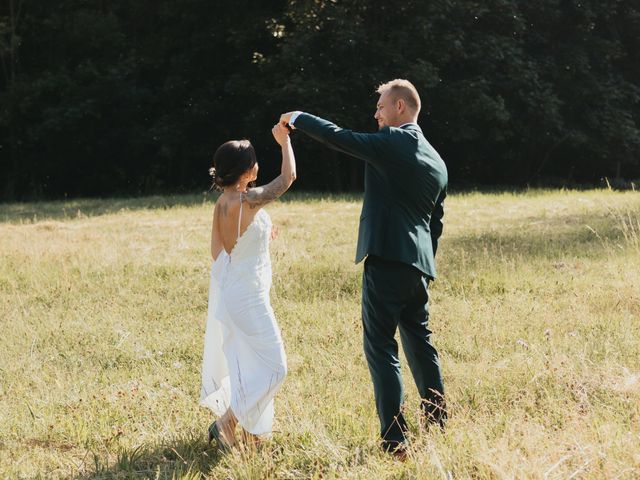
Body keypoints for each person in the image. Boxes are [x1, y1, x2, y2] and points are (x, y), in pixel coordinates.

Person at [279, 79, 448, 458]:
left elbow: (342, 138)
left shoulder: (395, 143)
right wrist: (423, 262)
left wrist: (300, 118)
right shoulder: (436, 159)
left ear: (401, 107)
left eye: (381, 107)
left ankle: (394, 439)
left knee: (381, 347)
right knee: (420, 344)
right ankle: (437, 421)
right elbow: (435, 222)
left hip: (387, 260)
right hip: (417, 266)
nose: (376, 114)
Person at [200, 123, 296, 450]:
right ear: (246, 170)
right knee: (276, 367)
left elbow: (219, 252)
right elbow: (288, 179)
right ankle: (227, 422)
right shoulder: (249, 199)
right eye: (254, 160)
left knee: (251, 364)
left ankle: (251, 435)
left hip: (235, 293)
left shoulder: (224, 203)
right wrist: (284, 143)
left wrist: (256, 242)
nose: (258, 165)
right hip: (250, 298)